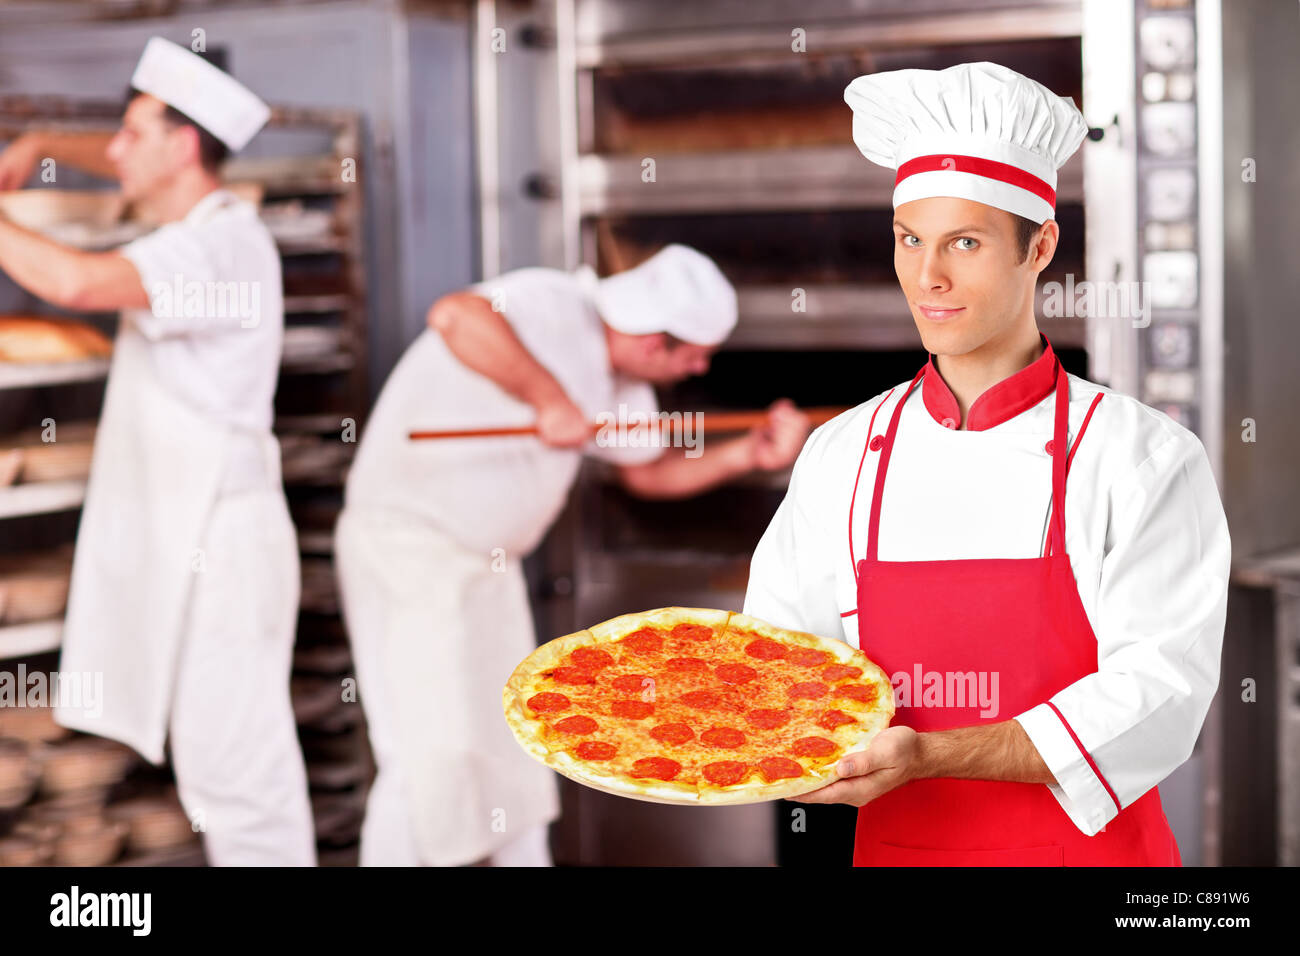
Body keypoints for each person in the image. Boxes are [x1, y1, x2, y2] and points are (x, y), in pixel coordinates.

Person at [744, 62, 1230, 866]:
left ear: (1040, 246)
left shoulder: (1139, 455)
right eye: (910, 239)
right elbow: (778, 666)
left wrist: (933, 754)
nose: (927, 277)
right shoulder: (842, 453)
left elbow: (1160, 694)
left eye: (964, 243)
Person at [336, 244, 811, 866]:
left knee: (515, 745)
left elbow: (649, 473)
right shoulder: (553, 303)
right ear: (654, 343)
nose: (698, 369)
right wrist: (548, 398)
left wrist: (747, 454)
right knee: (430, 750)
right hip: (411, 551)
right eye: (694, 355)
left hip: (486, 571)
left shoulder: (625, 388)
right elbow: (455, 315)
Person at [0, 37, 314, 865]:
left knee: (237, 777)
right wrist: (40, 145)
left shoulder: (216, 249)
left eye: (131, 134)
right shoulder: (207, 226)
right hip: (204, 534)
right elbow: (120, 162)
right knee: (220, 764)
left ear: (181, 147)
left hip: (224, 544)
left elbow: (74, 283)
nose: (111, 153)